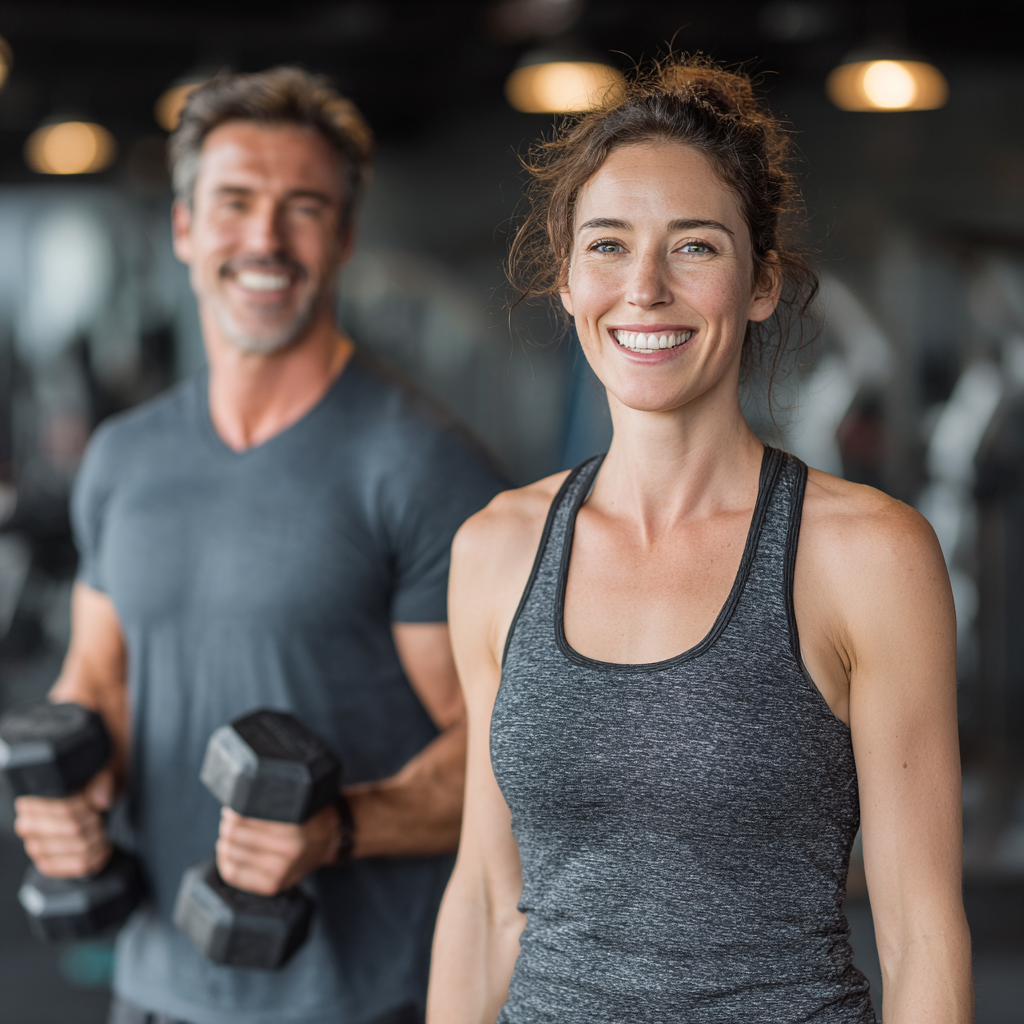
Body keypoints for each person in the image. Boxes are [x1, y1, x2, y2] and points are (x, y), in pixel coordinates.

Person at [427, 57, 973, 1024]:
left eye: (694, 248)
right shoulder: (497, 550)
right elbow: (482, 899)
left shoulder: (865, 556)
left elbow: (920, 937)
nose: (643, 288)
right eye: (607, 245)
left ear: (760, 281)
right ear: (566, 278)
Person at [12, 67, 506, 1024]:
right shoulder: (124, 456)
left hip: (358, 1000)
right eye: (234, 203)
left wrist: (342, 828)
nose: (265, 240)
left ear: (346, 237)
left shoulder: (422, 466)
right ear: (186, 227)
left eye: (303, 208)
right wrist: (67, 800)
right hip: (154, 990)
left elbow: (500, 757)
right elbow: (100, 679)